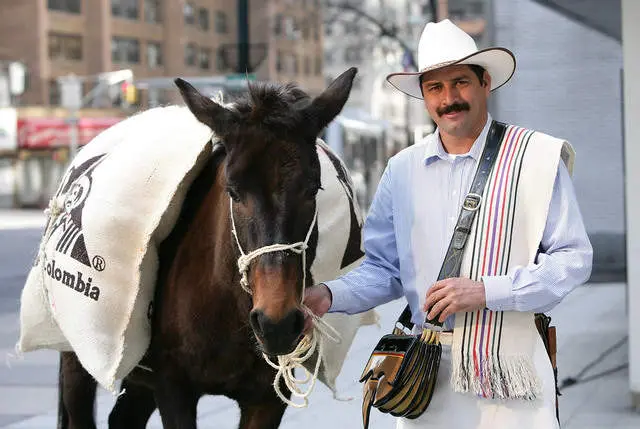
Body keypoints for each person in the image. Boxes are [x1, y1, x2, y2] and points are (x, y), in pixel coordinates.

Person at [304, 19, 592, 429]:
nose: (449, 98)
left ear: (485, 83)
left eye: (460, 82)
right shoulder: (400, 170)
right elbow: (384, 270)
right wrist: (327, 296)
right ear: (423, 97)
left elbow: (574, 259)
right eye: (435, 88)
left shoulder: (536, 159)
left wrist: (486, 291)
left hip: (515, 373)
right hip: (427, 376)